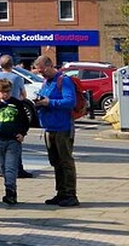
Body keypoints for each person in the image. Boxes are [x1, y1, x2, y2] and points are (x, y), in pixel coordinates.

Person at [32, 55, 79, 207]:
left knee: (65, 161)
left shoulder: (63, 80)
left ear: (50, 66)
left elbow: (70, 101)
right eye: (39, 72)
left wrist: (49, 102)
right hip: (49, 128)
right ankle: (61, 192)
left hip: (62, 127)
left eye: (43, 71)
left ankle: (70, 194)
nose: (41, 74)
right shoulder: (46, 81)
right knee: (56, 162)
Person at [0, 78, 31, 205]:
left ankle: (11, 193)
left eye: (8, 92)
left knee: (11, 167)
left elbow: (25, 121)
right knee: (3, 167)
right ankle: (8, 188)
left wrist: (22, 133)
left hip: (13, 140)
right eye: (2, 92)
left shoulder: (16, 103)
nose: (5, 94)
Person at [0, 55, 32, 179]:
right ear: (12, 65)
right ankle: (18, 169)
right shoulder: (17, 78)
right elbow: (23, 94)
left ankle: (1, 169)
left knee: (1, 142)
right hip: (14, 108)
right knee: (15, 142)